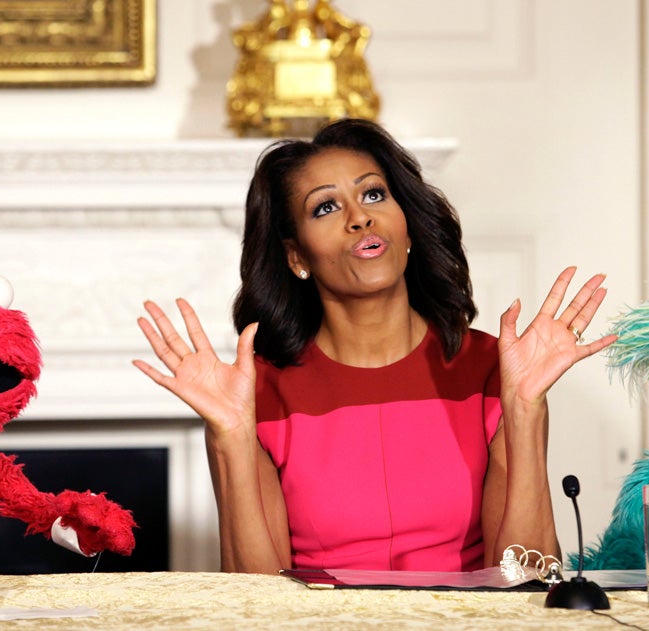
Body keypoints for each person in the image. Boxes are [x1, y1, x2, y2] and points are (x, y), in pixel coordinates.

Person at [134, 119, 615, 575]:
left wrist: (524, 409)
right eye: (326, 207)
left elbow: (526, 581)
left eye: (373, 194)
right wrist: (232, 438)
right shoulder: (256, 394)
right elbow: (257, 606)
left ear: (406, 228)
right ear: (297, 256)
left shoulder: (494, 370)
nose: (359, 217)